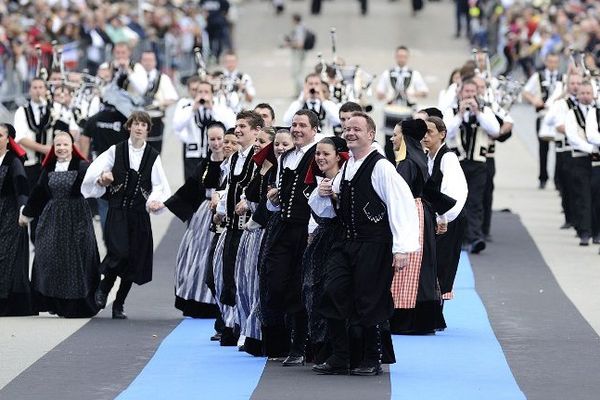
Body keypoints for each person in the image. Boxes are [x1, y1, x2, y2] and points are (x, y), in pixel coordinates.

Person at [311, 112, 419, 376]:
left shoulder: (381, 166)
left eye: (356, 129)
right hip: (346, 243)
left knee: (369, 301)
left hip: (374, 244)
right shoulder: (347, 165)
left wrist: (402, 248)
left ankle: (372, 357)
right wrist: (328, 194)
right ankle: (340, 356)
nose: (350, 133)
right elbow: (332, 207)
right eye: (347, 129)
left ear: (370, 134)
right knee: (332, 291)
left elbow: (400, 204)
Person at [82, 111, 171, 319]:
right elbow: (96, 172)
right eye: (136, 124)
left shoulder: (152, 156)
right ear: (129, 127)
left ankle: (119, 303)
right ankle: (104, 288)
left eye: (143, 125)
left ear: (148, 130)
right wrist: (103, 177)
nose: (139, 128)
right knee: (119, 252)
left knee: (133, 260)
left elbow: (160, 185)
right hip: (117, 211)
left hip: (139, 214)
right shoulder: (116, 150)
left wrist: (154, 201)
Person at [21, 131, 100, 318]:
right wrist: (26, 215)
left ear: (72, 146)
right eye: (58, 145)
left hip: (77, 217)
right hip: (52, 218)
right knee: (48, 256)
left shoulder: (82, 166)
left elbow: (95, 186)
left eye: (65, 145)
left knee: (75, 259)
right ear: (53, 148)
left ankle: (75, 304)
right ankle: (54, 301)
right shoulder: (48, 168)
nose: (62, 148)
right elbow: (39, 193)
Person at [263, 109, 319, 366]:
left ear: (314, 129)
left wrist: (311, 229)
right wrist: (274, 199)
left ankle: (300, 345)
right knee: (274, 282)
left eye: (302, 125)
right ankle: (283, 340)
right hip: (283, 228)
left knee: (300, 287)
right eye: (294, 125)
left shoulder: (318, 154)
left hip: (305, 229)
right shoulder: (285, 158)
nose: (296, 129)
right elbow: (279, 195)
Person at [164, 122, 227, 317]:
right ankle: (198, 302)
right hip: (203, 215)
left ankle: (218, 302)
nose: (216, 143)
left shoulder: (232, 162)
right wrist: (163, 204)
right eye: (212, 139)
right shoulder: (204, 164)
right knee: (195, 256)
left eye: (219, 139)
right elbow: (190, 188)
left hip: (224, 212)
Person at [389, 119, 444, 335]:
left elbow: (399, 196)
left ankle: (405, 319)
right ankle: (419, 319)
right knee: (417, 268)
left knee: (407, 268)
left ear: (405, 138)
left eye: (396, 135)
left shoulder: (407, 163)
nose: (392, 138)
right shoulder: (417, 158)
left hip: (409, 215)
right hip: (419, 214)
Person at [213, 111, 263, 345]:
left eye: (243, 126)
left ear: (256, 131)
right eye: (237, 126)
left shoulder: (260, 158)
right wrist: (221, 209)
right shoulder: (233, 158)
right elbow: (228, 187)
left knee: (246, 279)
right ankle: (231, 325)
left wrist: (248, 203)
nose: (238, 130)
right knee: (228, 277)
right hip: (232, 228)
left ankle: (247, 329)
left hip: (249, 230)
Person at [303, 136, 348, 363]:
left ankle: (338, 350)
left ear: (338, 157)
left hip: (342, 241)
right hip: (322, 241)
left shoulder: (344, 180)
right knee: (314, 291)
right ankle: (321, 348)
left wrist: (333, 196)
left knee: (334, 292)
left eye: (325, 154)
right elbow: (317, 216)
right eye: (318, 154)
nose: (320, 158)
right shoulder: (320, 184)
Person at [443, 79, 500, 254]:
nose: (469, 95)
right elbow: (446, 132)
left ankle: (475, 237)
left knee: (475, 201)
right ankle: (458, 238)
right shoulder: (450, 111)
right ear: (460, 93)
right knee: (456, 201)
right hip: (457, 163)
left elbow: (495, 130)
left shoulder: (486, 110)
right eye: (466, 92)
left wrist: (479, 113)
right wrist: (460, 115)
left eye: (473, 92)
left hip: (478, 163)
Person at [235, 126, 277, 355]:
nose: (258, 145)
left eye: (262, 141)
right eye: (257, 141)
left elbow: (260, 202)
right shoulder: (262, 169)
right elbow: (251, 193)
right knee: (246, 285)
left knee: (257, 286)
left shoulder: (275, 170)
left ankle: (257, 336)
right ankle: (248, 332)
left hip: (264, 233)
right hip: (252, 235)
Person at [422, 116, 468, 305]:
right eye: (423, 132)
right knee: (433, 264)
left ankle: (436, 308)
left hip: (450, 218)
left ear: (442, 134)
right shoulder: (428, 157)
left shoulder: (447, 158)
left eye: (430, 132)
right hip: (438, 217)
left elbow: (455, 191)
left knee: (442, 264)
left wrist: (444, 218)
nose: (425, 136)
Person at [173, 77, 236, 180]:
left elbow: (231, 125)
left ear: (212, 94)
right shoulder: (188, 108)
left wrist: (212, 108)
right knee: (192, 189)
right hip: (193, 155)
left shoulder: (220, 107)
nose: (203, 94)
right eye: (200, 92)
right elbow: (177, 126)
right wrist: (193, 109)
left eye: (206, 92)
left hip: (215, 154)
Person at [542, 72, 582, 230]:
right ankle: (568, 216)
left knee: (579, 185)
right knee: (565, 183)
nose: (575, 86)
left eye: (578, 83)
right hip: (564, 149)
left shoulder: (587, 103)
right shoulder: (561, 103)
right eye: (572, 83)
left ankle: (580, 217)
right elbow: (549, 119)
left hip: (580, 150)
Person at [0, 123, 32, 316]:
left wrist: (23, 210)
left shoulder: (14, 161)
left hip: (9, 214)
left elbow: (21, 188)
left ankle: (6, 302)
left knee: (6, 257)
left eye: (0, 135)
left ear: (8, 139)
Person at [522, 53, 563, 189]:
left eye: (555, 62)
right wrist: (534, 100)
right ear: (546, 62)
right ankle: (543, 177)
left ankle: (558, 179)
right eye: (550, 62)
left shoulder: (562, 77)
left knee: (559, 148)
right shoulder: (538, 76)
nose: (552, 65)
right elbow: (526, 91)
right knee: (543, 148)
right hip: (542, 115)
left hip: (557, 117)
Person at [565, 81, 596, 245]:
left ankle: (596, 231)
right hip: (580, 158)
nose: (585, 96)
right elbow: (573, 138)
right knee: (582, 196)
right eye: (582, 93)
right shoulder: (571, 113)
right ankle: (584, 231)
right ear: (578, 95)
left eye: (588, 93)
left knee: (596, 196)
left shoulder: (597, 112)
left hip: (596, 161)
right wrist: (591, 148)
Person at [13, 77, 52, 188]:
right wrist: (44, 149)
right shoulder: (22, 111)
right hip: (29, 164)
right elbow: (20, 137)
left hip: (49, 164)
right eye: (34, 87)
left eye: (41, 87)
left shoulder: (53, 109)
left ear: (45, 90)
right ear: (30, 90)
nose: (38, 91)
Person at [140, 50, 179, 154]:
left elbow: (173, 98)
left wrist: (158, 103)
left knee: (154, 153)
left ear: (155, 62)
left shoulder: (162, 78)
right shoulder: (135, 78)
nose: (147, 63)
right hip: (137, 119)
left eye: (150, 60)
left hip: (155, 121)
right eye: (145, 60)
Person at [284, 14, 307, 97]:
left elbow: (300, 44)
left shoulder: (299, 29)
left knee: (296, 74)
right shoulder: (303, 27)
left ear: (294, 20)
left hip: (298, 53)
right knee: (298, 73)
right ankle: (299, 92)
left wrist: (289, 44)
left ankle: (301, 92)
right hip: (301, 53)